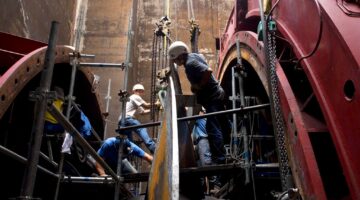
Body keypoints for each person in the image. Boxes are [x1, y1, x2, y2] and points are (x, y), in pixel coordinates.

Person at [168, 41, 231, 165]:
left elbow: (208, 71)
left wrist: (198, 86)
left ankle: (220, 159)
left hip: (213, 98)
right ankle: (230, 147)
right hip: (216, 95)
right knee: (223, 124)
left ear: (180, 55)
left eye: (175, 59)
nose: (176, 62)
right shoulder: (195, 56)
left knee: (212, 128)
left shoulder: (190, 63)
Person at [118, 84, 157, 154]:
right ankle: (153, 147)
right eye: (140, 91)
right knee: (142, 129)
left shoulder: (133, 100)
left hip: (122, 122)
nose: (141, 93)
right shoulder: (135, 96)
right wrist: (157, 104)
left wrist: (155, 109)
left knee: (129, 142)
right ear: (135, 91)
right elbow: (146, 105)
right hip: (127, 118)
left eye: (142, 92)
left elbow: (143, 112)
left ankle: (129, 155)